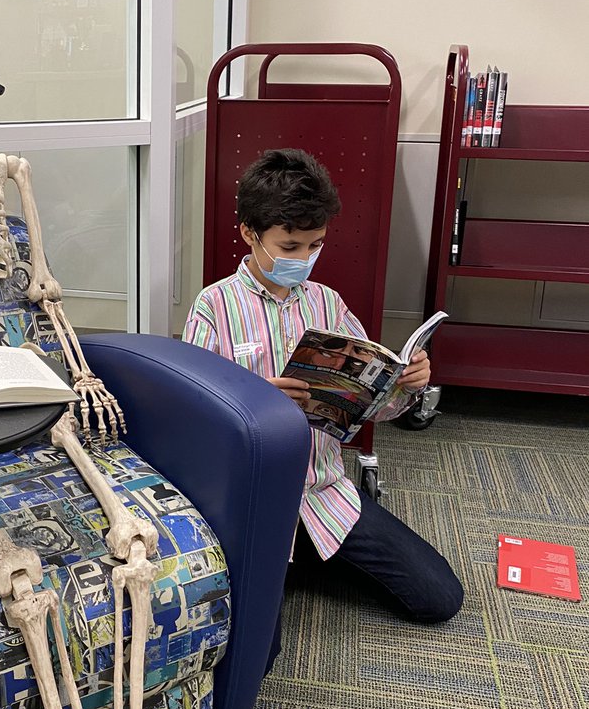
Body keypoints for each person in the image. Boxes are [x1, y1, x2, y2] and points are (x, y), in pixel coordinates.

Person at [183, 148, 463, 624]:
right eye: (290, 248)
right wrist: (256, 401)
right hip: (253, 497)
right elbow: (193, 423)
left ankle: (306, 555)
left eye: (315, 246)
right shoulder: (214, 307)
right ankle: (293, 558)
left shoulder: (326, 304)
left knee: (439, 597)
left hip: (323, 490)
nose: (305, 259)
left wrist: (406, 384)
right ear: (250, 233)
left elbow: (374, 404)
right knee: (248, 639)